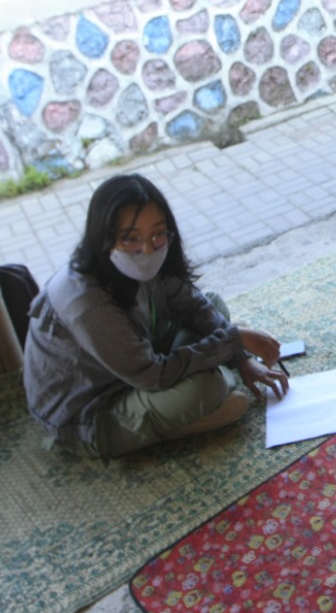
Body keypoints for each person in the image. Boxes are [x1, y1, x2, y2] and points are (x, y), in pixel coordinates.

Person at [23, 173, 288, 459]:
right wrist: (231, 341)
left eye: (158, 234)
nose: (148, 248)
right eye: (130, 238)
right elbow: (151, 376)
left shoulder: (147, 258)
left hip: (132, 365)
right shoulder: (85, 301)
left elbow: (193, 306)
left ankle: (215, 380)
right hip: (93, 412)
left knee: (213, 305)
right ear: (104, 237)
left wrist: (242, 358)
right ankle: (197, 404)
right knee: (208, 386)